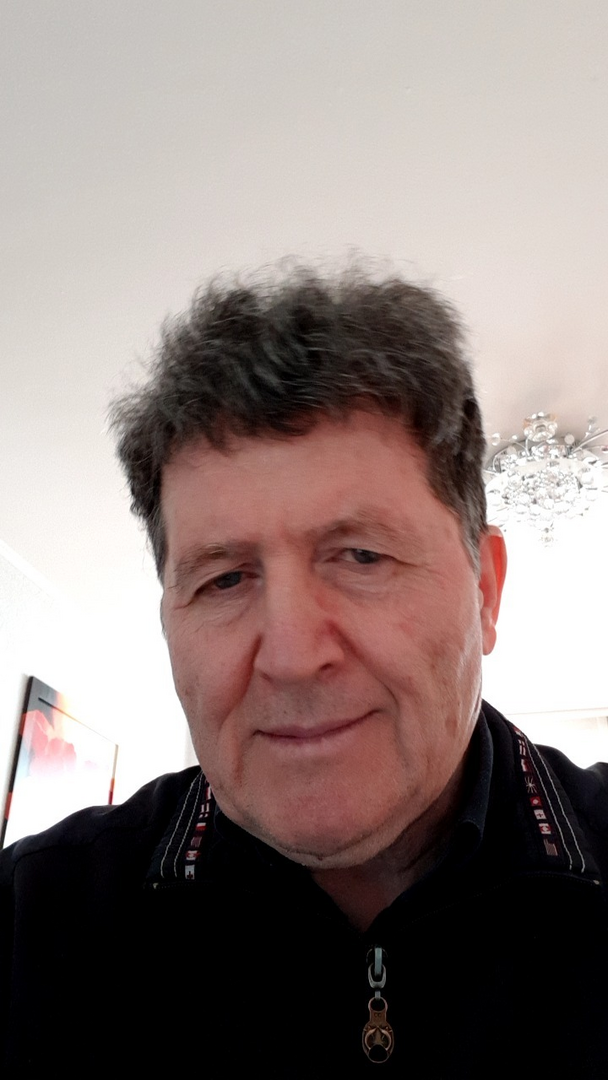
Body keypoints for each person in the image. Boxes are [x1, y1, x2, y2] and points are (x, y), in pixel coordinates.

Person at [1, 267, 608, 1076]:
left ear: (485, 592)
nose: (290, 658)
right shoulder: (33, 922)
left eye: (362, 556)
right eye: (225, 579)